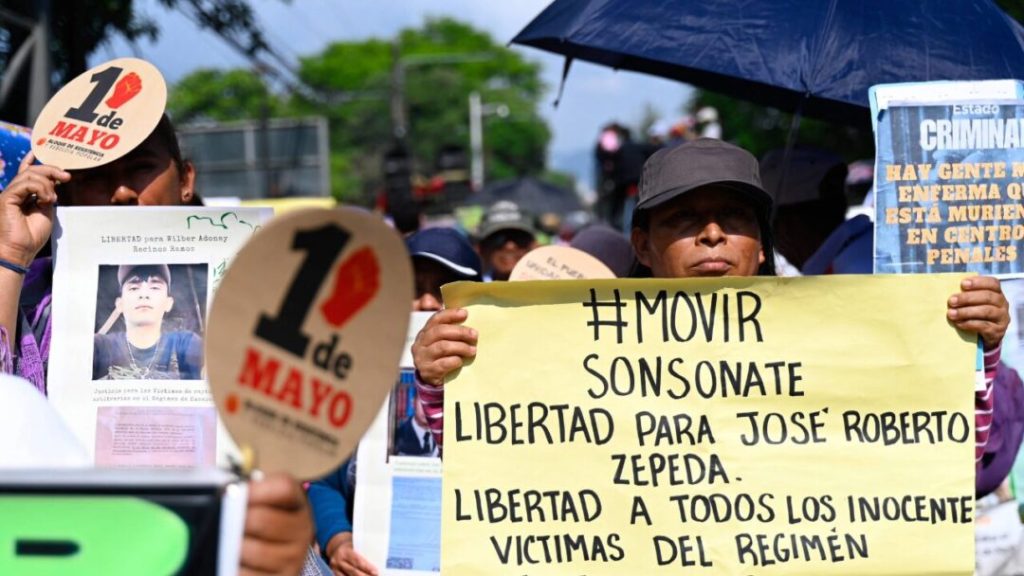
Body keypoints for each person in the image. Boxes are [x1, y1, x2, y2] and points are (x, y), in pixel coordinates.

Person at [412, 138, 1009, 471]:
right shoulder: (575, 355)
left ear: (762, 241)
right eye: (685, 219)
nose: (714, 235)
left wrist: (973, 349)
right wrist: (440, 382)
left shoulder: (842, 343)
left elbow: (947, 460)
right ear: (642, 244)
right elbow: (490, 472)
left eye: (736, 217)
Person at [0, 113, 317, 576]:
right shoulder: (30, 296)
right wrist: (11, 256)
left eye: (139, 169)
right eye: (96, 178)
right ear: (64, 191)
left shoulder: (256, 293)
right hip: (82, 543)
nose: (122, 192)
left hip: (224, 536)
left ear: (186, 179)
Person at [309, 226, 480, 576]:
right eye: (414, 290)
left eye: (445, 290)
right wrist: (338, 541)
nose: (429, 302)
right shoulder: (355, 376)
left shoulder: (502, 385)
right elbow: (324, 481)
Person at [93, 264, 203, 380]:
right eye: (134, 288)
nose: (144, 295)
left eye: (155, 287)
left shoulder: (186, 344)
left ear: (168, 303)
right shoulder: (100, 347)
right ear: (120, 304)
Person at [476, 201, 537, 282]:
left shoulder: (551, 291)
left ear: (534, 246)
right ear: (481, 248)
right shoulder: (470, 292)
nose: (510, 246)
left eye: (519, 237)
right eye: (498, 238)